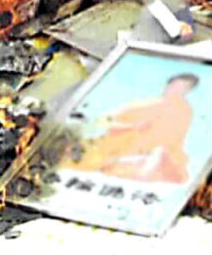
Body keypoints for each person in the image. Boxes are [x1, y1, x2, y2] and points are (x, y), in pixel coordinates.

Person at [68, 74, 199, 183]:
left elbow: (174, 139)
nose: (177, 91)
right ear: (167, 86)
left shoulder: (184, 110)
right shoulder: (140, 105)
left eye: (183, 89)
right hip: (118, 150)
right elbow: (104, 121)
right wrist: (131, 127)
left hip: (154, 156)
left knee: (158, 155)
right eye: (175, 86)